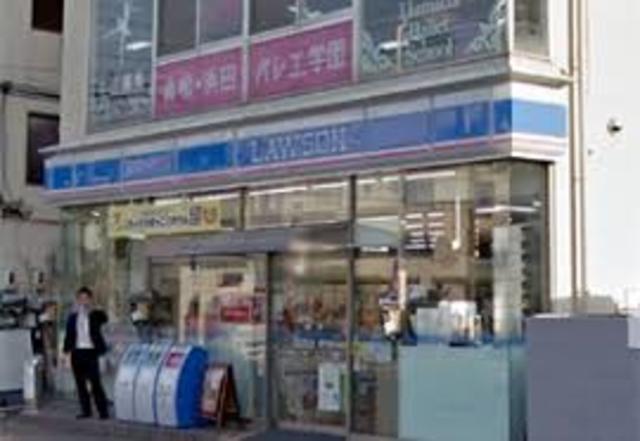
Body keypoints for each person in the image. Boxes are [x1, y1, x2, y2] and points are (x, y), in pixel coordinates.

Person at [63, 287, 109, 420]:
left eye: (86, 299)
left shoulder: (94, 315)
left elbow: (104, 318)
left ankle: (103, 411)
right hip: (77, 352)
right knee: (80, 383)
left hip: (91, 352)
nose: (83, 301)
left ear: (90, 299)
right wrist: (66, 352)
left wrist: (94, 308)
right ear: (77, 300)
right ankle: (86, 410)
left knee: (95, 382)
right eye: (80, 299)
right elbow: (69, 335)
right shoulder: (73, 317)